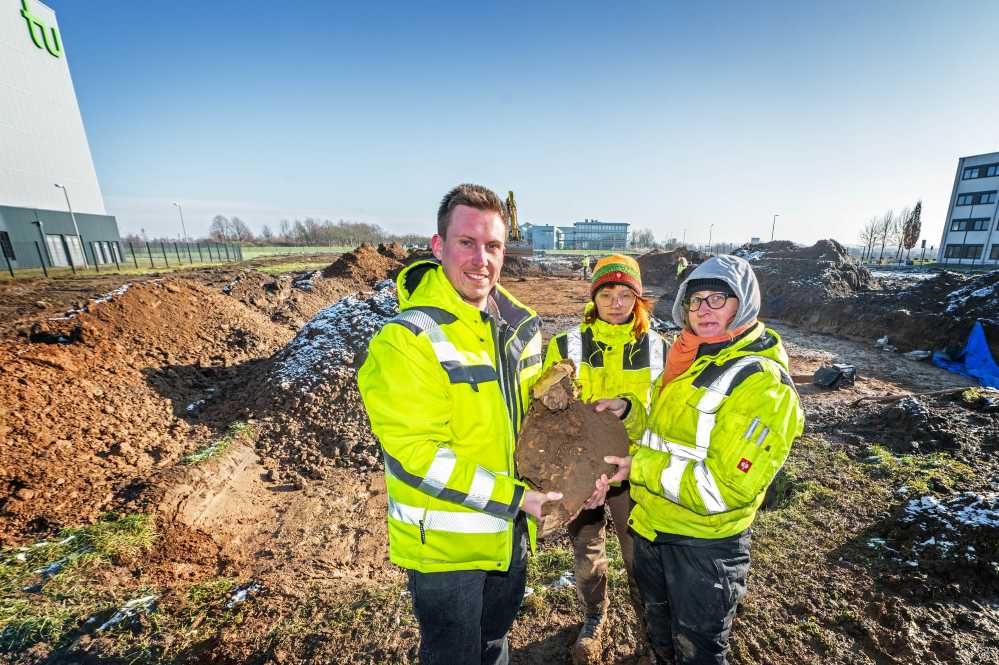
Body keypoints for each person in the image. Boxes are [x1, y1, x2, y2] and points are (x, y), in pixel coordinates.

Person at [358, 184, 562, 665]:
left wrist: (578, 466)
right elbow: (418, 456)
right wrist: (519, 498)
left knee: (494, 644)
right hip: (448, 550)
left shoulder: (521, 328)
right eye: (466, 243)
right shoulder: (407, 341)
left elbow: (540, 424)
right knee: (454, 655)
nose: (481, 260)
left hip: (509, 537)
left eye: (492, 246)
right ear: (438, 247)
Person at [593, 254, 804, 665]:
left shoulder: (761, 383)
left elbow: (725, 487)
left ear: (742, 304)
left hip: (703, 546)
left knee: (698, 651)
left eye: (717, 299)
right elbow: (669, 432)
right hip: (654, 528)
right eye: (695, 301)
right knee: (662, 633)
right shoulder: (695, 359)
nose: (703, 309)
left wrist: (640, 468)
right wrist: (631, 412)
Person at [541, 255, 666, 663]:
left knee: (639, 552)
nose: (616, 303)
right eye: (607, 294)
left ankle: (649, 626)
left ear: (638, 298)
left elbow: (667, 412)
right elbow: (546, 406)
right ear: (594, 297)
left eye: (625, 294)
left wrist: (629, 409)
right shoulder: (567, 343)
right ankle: (595, 617)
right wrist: (550, 390)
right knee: (587, 546)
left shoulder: (658, 348)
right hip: (581, 471)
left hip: (634, 468)